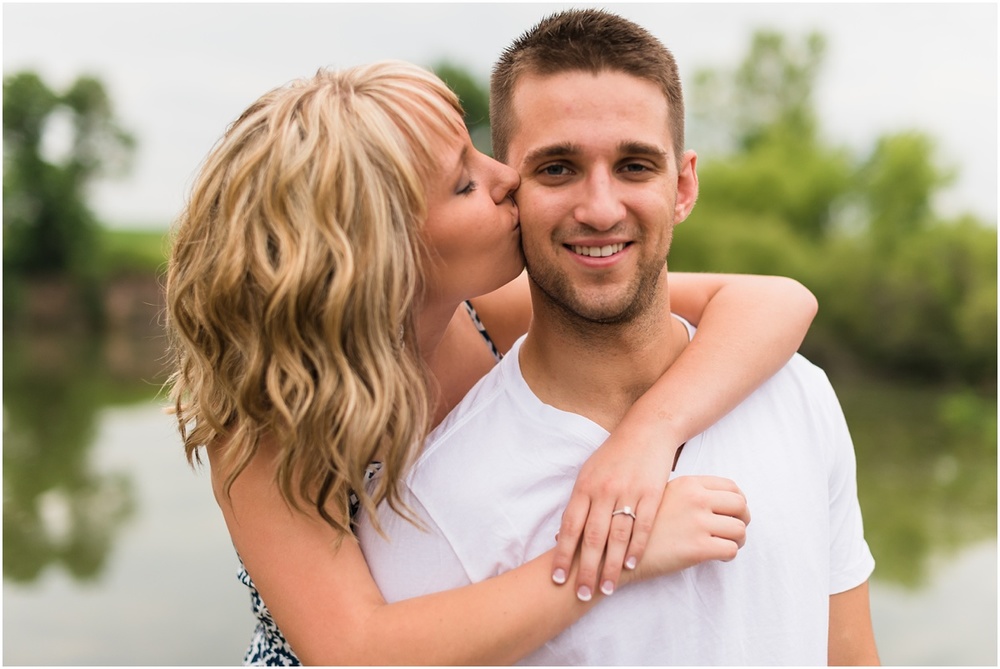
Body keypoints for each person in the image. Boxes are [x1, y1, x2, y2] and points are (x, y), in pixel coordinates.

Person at [165, 58, 818, 665]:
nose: (508, 177)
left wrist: (649, 435)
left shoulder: (479, 311)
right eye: (464, 181)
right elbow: (358, 649)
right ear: (387, 253)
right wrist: (614, 553)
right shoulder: (267, 429)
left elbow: (774, 300)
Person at [356, 9, 879, 666]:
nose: (601, 209)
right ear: (509, 190)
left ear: (683, 185)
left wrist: (649, 431)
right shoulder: (429, 503)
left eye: (634, 165)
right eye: (557, 169)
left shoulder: (800, 395)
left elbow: (853, 655)